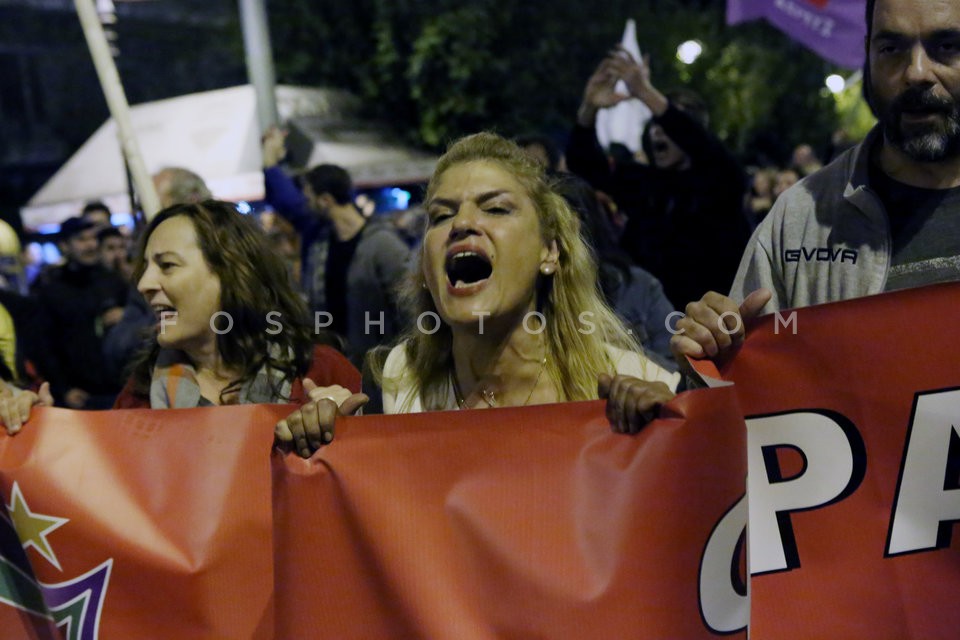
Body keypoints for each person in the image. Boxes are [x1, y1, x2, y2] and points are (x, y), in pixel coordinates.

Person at [276, 132, 681, 457]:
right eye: (441, 215)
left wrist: (676, 424)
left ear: (549, 251)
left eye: (496, 209)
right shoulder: (393, 389)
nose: (462, 223)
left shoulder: (634, 384)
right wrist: (323, 441)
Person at [672, 0, 960, 360]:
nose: (916, 72)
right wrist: (710, 358)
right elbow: (748, 380)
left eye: (947, 46)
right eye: (891, 49)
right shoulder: (800, 217)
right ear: (868, 54)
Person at [114, 200, 361, 412]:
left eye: (167, 265)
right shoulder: (139, 395)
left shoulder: (321, 372)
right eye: (145, 267)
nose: (144, 284)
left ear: (230, 274)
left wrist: (339, 430)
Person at [566, 48, 751, 309]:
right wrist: (590, 108)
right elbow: (585, 166)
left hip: (708, 320)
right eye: (654, 124)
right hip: (645, 320)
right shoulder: (645, 182)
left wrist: (644, 92)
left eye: (668, 124)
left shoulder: (722, 181)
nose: (658, 132)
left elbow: (698, 142)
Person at [262, 128, 412, 364]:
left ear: (325, 200)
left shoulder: (383, 245)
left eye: (308, 197)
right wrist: (270, 162)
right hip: (334, 363)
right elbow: (287, 202)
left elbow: (410, 308)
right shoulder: (320, 238)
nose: (305, 204)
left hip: (379, 366)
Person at [32, 216, 128, 408]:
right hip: (82, 396)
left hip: (122, 388)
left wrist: (126, 315)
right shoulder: (52, 290)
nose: (90, 245)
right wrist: (64, 389)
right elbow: (44, 345)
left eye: (92, 238)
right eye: (81, 239)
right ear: (64, 246)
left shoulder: (113, 281)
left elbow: (143, 321)